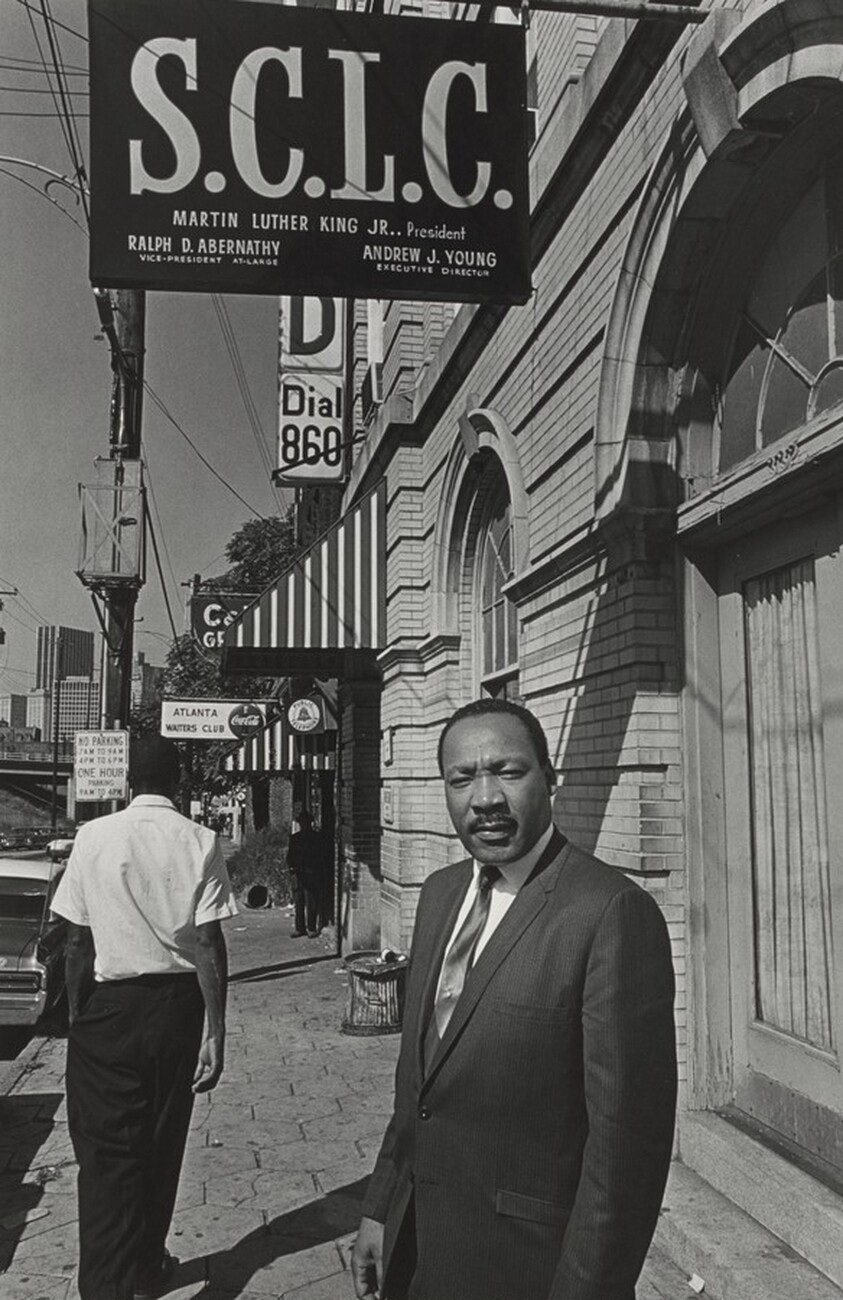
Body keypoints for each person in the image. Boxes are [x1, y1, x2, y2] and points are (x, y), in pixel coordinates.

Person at [351, 698, 677, 1300]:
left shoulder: (609, 912)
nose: (486, 798)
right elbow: (417, 1088)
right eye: (462, 778)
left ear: (550, 779)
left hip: (529, 1271)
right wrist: (381, 1206)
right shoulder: (440, 895)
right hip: (419, 1252)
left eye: (508, 771)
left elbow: (625, 1156)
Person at [51, 735, 238, 1300]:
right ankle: (145, 1263)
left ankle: (108, 1285)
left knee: (108, 1155)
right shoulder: (201, 840)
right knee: (162, 1142)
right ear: (177, 783)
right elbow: (208, 943)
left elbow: (76, 941)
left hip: (110, 1009)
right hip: (176, 1010)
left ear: (130, 781)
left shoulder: (93, 836)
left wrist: (81, 1010)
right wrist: (216, 1029)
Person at [287, 809, 333, 937]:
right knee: (299, 901)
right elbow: (290, 856)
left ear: (310, 823)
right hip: (298, 874)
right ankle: (299, 928)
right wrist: (292, 869)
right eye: (302, 822)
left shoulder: (316, 838)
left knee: (311, 901)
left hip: (311, 873)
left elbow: (320, 856)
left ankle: (311, 927)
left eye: (306, 822)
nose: (304, 824)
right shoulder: (295, 838)